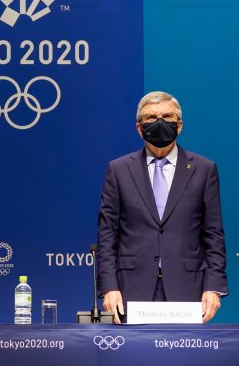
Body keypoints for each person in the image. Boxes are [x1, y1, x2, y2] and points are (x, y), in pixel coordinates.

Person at [96, 91, 228, 323]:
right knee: (133, 358)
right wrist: (109, 287)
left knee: (184, 358)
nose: (159, 123)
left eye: (167, 117)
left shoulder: (204, 169)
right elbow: (108, 235)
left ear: (179, 126)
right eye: (151, 118)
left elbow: (213, 234)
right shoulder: (118, 170)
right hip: (130, 289)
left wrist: (214, 287)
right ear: (139, 128)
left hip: (188, 288)